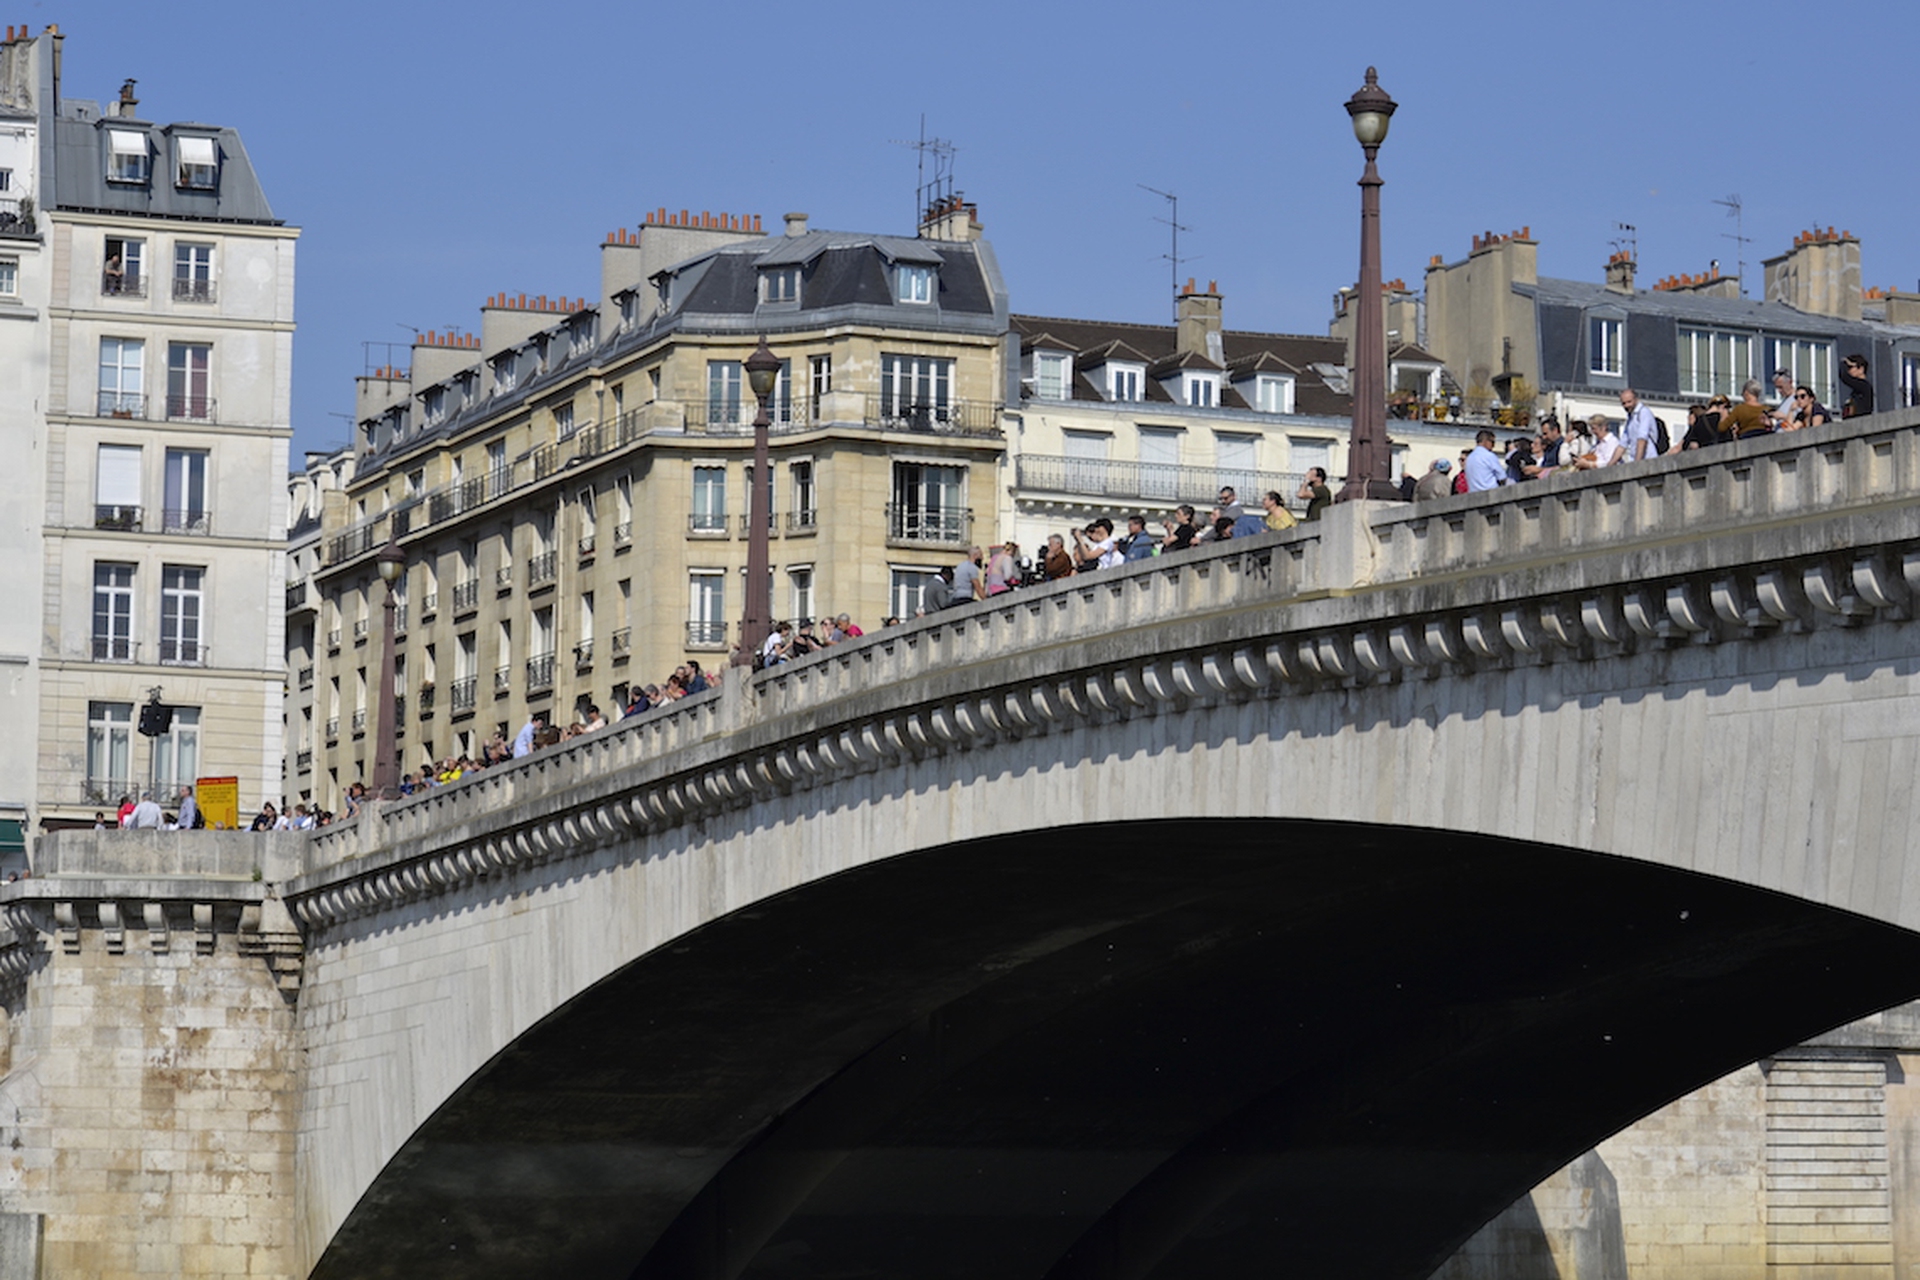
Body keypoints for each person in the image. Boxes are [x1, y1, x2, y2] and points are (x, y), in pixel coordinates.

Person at [1619, 388, 1658, 461]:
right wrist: (1609, 465)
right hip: (1634, 459)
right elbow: (1622, 444)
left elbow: (1642, 439)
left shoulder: (1644, 412)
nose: (1626, 405)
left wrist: (1637, 464)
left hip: (1648, 459)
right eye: (1624, 403)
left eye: (1629, 402)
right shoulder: (1631, 418)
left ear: (1636, 399)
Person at [1838, 354, 1873, 418]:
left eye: (1850, 367)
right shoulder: (1858, 389)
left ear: (1861, 369)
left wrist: (1843, 362)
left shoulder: (1864, 386)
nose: (1849, 371)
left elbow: (1844, 376)